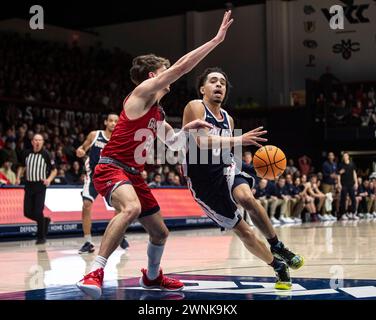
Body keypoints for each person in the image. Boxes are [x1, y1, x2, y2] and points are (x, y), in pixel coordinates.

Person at [77, 11, 234, 299]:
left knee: (160, 232)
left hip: (133, 175)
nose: (170, 74)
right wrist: (215, 40)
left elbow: (173, 142)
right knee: (131, 208)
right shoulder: (142, 92)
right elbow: (184, 66)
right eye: (165, 70)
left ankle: (151, 278)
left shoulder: (157, 112)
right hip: (111, 167)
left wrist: (188, 128)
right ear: (153, 76)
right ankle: (95, 270)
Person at [182, 67, 304, 290]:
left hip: (224, 168)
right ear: (202, 89)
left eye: (223, 83)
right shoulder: (195, 106)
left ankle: (277, 245)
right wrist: (241, 139)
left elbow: (228, 155)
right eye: (213, 81)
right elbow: (201, 142)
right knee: (244, 230)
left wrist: (254, 168)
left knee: (246, 198)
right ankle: (277, 265)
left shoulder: (227, 118)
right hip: (204, 183)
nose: (219, 85)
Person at [75, 113, 130, 254]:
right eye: (110, 120)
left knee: (121, 207)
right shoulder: (95, 135)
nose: (113, 123)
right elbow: (82, 148)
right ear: (106, 122)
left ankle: (119, 235)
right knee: (86, 205)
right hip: (93, 176)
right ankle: (88, 241)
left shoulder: (120, 139)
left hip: (111, 177)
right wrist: (80, 151)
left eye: (115, 121)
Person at [16, 134, 57, 244]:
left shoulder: (46, 154)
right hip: (28, 185)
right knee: (27, 212)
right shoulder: (26, 153)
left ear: (43, 142)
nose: (38, 142)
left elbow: (54, 170)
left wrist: (48, 179)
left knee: (38, 212)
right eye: (35, 140)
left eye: (40, 140)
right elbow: (21, 166)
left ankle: (41, 237)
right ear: (32, 142)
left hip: (40, 186)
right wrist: (18, 177)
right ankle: (45, 221)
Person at [338, 152, 358, 220]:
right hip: (344, 184)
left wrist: (356, 183)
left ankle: (353, 213)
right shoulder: (341, 165)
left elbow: (354, 173)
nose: (345, 157)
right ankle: (343, 214)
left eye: (346, 156)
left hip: (351, 184)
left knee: (353, 199)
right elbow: (338, 174)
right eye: (344, 156)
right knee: (343, 199)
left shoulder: (352, 164)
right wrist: (339, 183)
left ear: (348, 156)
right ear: (343, 157)